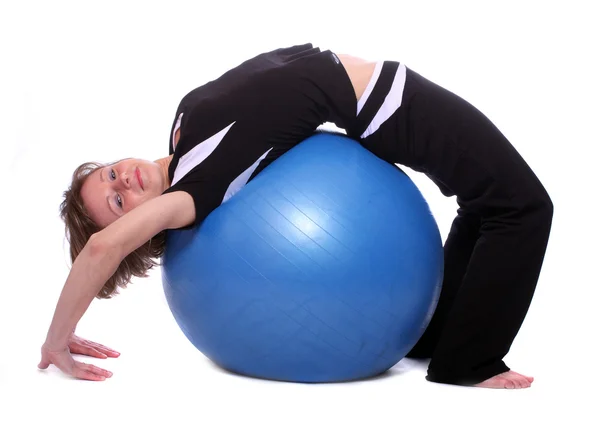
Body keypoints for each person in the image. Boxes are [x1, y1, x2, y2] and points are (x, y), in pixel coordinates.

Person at [38, 43, 553, 389]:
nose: (121, 182)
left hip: (386, 93)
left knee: (487, 205)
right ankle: (470, 362)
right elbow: (102, 248)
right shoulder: (190, 196)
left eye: (108, 176)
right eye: (119, 206)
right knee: (524, 207)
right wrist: (56, 340)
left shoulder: (182, 130)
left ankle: (439, 339)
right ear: (137, 226)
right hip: (390, 106)